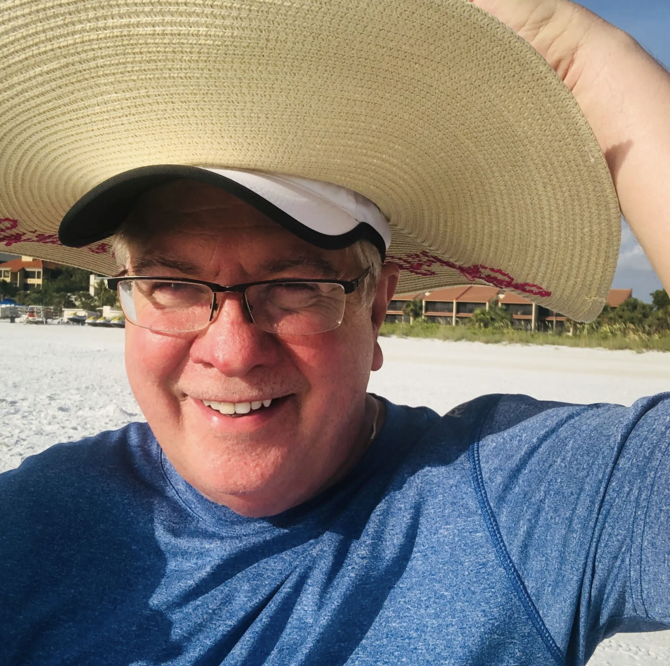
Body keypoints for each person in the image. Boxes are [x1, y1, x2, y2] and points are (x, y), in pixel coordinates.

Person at [0, 0, 668, 664]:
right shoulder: (33, 523)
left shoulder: (511, 500)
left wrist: (584, 58)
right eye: (171, 286)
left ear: (376, 309)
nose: (231, 352)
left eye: (294, 286)